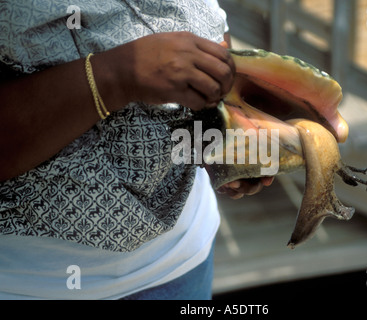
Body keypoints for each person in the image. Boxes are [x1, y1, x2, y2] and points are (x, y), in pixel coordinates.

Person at [0, 0, 272, 300]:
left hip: (181, 265)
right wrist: (115, 76)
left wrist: (213, 134)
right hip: (30, 286)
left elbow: (209, 22)